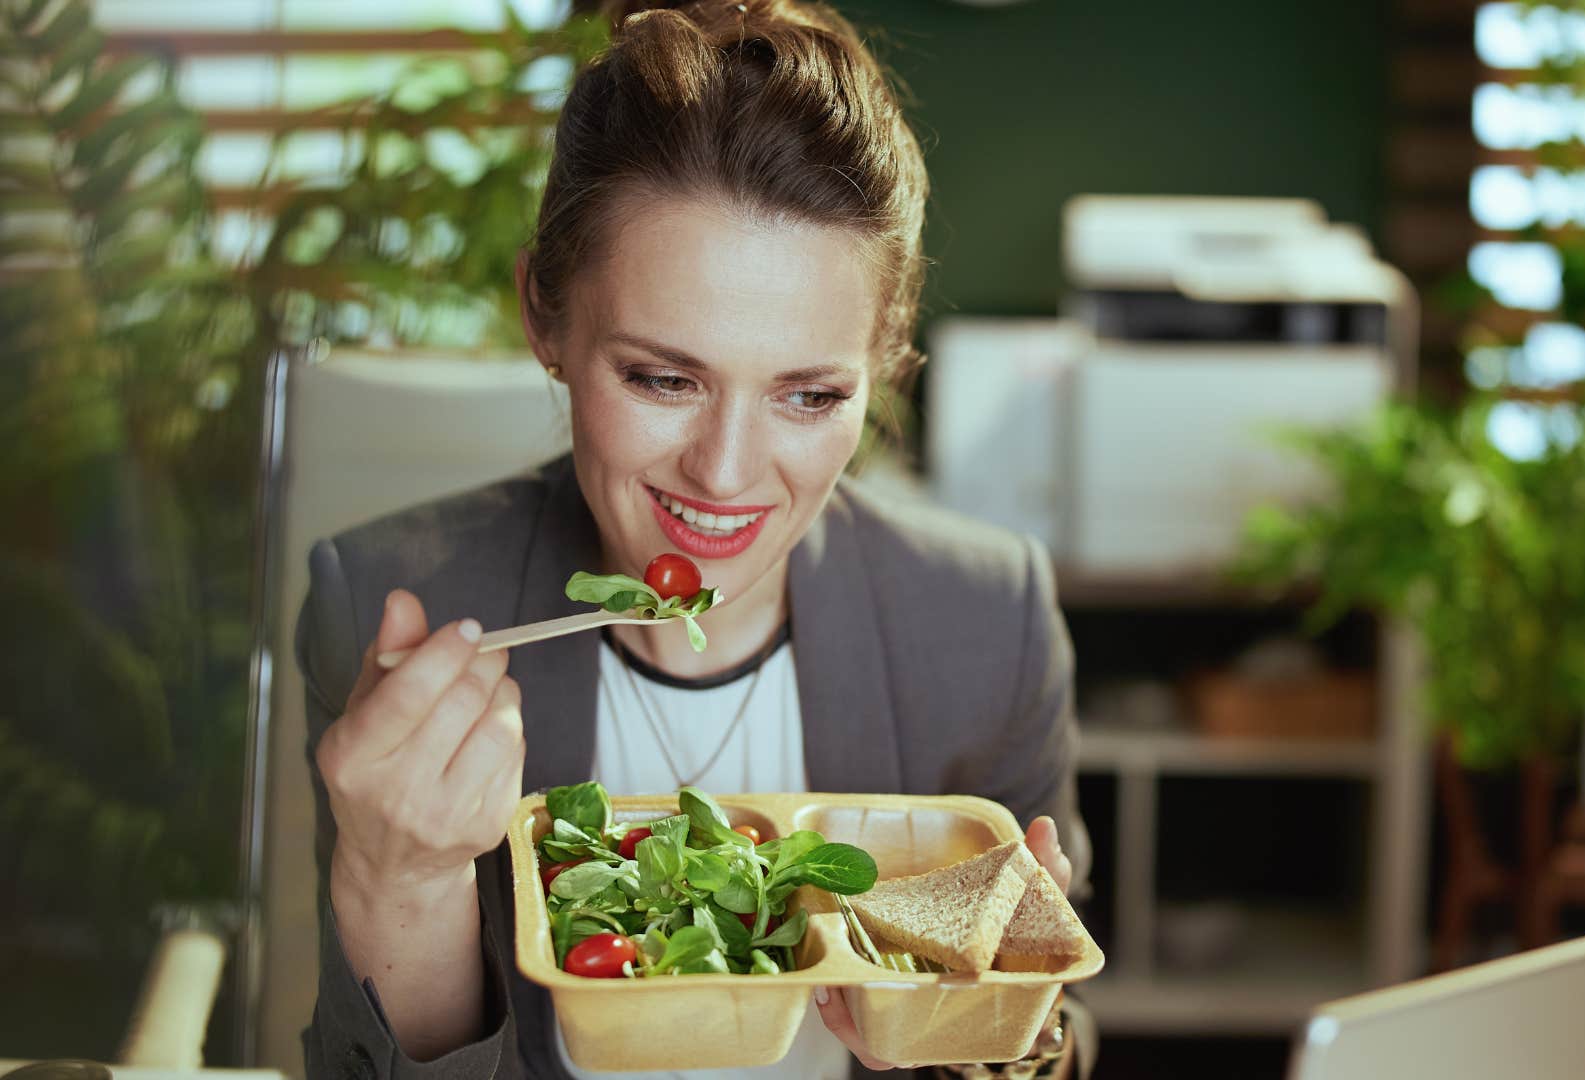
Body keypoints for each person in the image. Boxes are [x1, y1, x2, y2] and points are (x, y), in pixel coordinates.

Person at [296, 2, 1093, 1078]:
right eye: (664, 379)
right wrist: (404, 882)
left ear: (887, 361)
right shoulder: (386, 599)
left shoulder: (983, 629)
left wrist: (996, 1024)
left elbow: (1061, 1053)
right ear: (546, 316)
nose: (723, 473)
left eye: (808, 396)